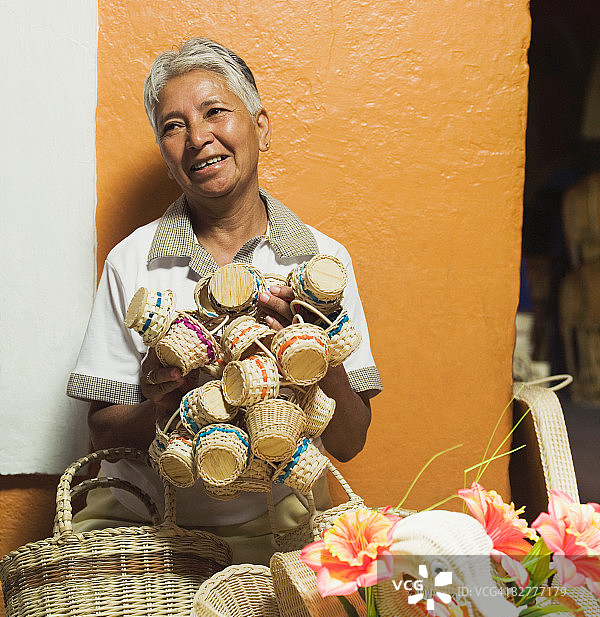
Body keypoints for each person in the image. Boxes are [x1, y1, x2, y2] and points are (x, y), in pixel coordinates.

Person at [67, 37, 382, 564]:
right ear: (166, 153)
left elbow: (349, 443)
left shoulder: (321, 264)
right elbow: (101, 435)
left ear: (260, 125)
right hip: (150, 529)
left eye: (215, 112)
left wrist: (318, 360)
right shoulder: (133, 261)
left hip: (279, 527)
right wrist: (164, 403)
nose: (197, 138)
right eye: (174, 125)